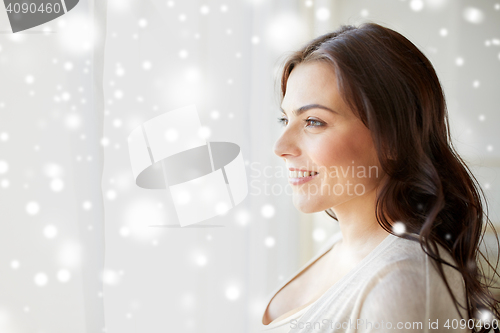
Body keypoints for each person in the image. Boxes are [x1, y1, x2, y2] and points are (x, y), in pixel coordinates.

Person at [260, 22, 500, 333]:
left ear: (392, 139)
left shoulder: (401, 284)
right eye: (285, 118)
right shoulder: (347, 247)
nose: (280, 147)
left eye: (314, 122)